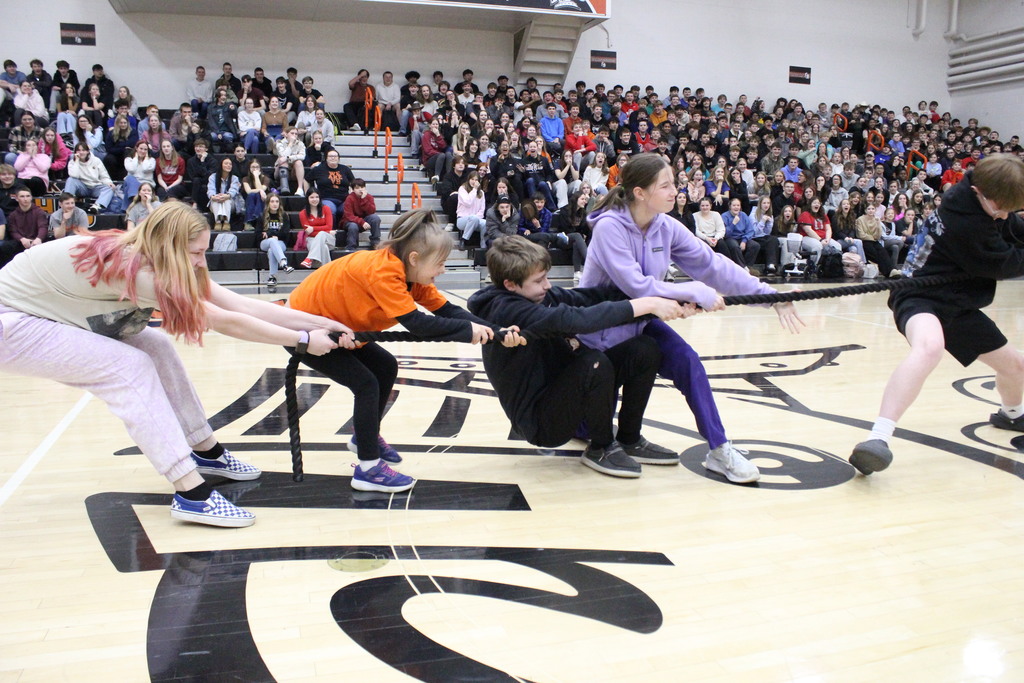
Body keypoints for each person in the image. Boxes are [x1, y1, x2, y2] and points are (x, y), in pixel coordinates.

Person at [0, 202, 353, 526]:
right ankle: (190, 493)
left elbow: (241, 305)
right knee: (128, 368)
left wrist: (320, 323)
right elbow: (225, 321)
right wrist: (303, 341)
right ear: (169, 245)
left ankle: (206, 451)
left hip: (48, 309)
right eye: (196, 253)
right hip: (12, 321)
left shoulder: (156, 255)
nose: (201, 261)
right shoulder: (139, 271)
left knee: (156, 346)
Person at [578, 153, 804, 483]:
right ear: (640, 192)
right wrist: (693, 292)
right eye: (666, 185)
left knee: (689, 362)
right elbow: (636, 286)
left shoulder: (666, 226)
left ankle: (719, 449)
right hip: (598, 335)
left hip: (638, 324)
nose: (675, 191)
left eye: (674, 183)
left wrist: (770, 297)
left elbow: (712, 265)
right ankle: (601, 437)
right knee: (588, 430)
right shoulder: (609, 227)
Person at [287, 209, 523, 492]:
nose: (443, 270)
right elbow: (417, 324)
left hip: (336, 328)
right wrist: (468, 332)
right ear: (414, 258)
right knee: (366, 384)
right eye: (440, 263)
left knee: (385, 366)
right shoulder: (384, 271)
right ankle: (368, 469)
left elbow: (448, 310)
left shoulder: (412, 275)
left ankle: (364, 438)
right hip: (302, 330)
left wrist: (497, 331)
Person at [850, 155, 1024, 475]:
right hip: (920, 296)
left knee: (1015, 366)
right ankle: (878, 438)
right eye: (1001, 208)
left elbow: (1012, 226)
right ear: (981, 192)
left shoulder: (976, 195)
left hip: (957, 302)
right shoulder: (967, 223)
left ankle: (1011, 415)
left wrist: (1007, 215)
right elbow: (1003, 263)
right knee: (930, 347)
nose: (1003, 215)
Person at [468, 235, 688, 477]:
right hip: (542, 422)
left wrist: (672, 299)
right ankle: (601, 447)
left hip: (567, 395)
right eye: (539, 280)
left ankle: (629, 439)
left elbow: (590, 298)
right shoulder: (506, 311)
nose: (547, 285)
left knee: (644, 349)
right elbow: (577, 319)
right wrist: (648, 305)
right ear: (510, 284)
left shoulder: (539, 296)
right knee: (593, 362)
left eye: (546, 277)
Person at [0, 187, 47, 267]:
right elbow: (13, 231)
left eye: (28, 196)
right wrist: (22, 239)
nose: (25, 199)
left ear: (31, 197)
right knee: (5, 247)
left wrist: (38, 239)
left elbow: (43, 227)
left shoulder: (39, 212)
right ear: (17, 198)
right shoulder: (13, 215)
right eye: (22, 196)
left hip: (36, 241)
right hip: (21, 242)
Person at [66, 143, 115, 214]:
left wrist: (108, 182)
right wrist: (76, 161)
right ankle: (67, 202)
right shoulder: (72, 162)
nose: (81, 152)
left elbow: (103, 175)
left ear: (87, 151)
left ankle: (96, 206)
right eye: (78, 150)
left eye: (83, 150)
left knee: (109, 188)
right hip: (82, 187)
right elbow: (74, 175)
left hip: (95, 187)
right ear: (75, 152)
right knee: (70, 180)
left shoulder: (96, 160)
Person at [260, 194, 294, 286]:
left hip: (281, 243)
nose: (275, 204)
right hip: (265, 243)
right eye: (272, 201)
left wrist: (269, 233)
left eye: (277, 201)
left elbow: (285, 233)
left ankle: (272, 277)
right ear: (268, 203)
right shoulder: (262, 215)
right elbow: (259, 234)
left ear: (279, 203)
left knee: (272, 250)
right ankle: (284, 263)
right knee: (272, 241)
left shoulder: (284, 215)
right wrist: (273, 235)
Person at [298, 191, 334, 269]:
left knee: (322, 234)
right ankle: (328, 270)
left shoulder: (326, 209)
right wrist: (327, 231)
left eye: (317, 197)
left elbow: (329, 227)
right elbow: (309, 233)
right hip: (312, 239)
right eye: (312, 197)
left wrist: (313, 228)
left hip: (328, 239)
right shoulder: (302, 213)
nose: (315, 199)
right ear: (307, 199)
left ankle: (309, 259)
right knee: (324, 247)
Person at [341, 178, 380, 250]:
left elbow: (371, 212)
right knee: (353, 226)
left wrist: (364, 199)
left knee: (375, 218)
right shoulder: (349, 198)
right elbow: (349, 216)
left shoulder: (369, 197)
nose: (360, 190)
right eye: (357, 188)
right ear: (353, 189)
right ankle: (351, 247)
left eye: (362, 187)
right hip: (350, 222)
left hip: (364, 221)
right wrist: (362, 222)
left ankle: (375, 242)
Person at [207, 157, 239, 229]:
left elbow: (233, 190)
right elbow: (210, 189)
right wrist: (213, 196)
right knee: (215, 201)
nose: (228, 165)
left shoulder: (234, 178)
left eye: (230, 164)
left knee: (226, 201)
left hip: (230, 202)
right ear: (221, 165)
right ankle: (218, 221)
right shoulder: (213, 177)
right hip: (216, 200)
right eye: (226, 163)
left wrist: (227, 196)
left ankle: (226, 222)